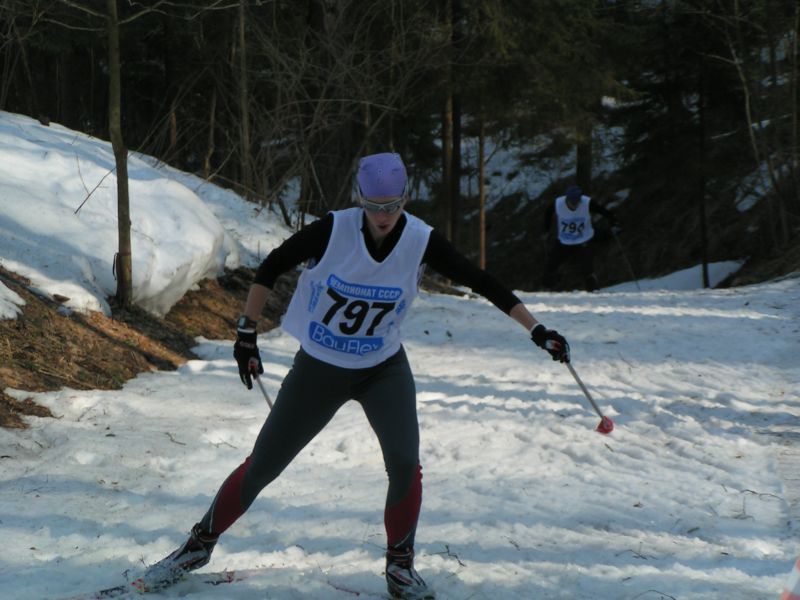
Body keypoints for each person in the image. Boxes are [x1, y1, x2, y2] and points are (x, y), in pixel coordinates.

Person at [143, 152, 571, 600]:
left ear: (405, 198)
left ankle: (401, 568)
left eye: (393, 205)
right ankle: (196, 547)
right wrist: (246, 335)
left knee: (405, 461)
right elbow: (270, 266)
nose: (384, 216)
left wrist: (537, 329)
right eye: (374, 206)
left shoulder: (421, 239)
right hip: (320, 369)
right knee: (263, 466)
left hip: (382, 367)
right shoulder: (334, 229)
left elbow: (482, 281)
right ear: (359, 199)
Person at [541, 184, 618, 292]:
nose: (575, 204)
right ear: (567, 199)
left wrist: (613, 223)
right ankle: (547, 289)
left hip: (584, 238)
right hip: (564, 240)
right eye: (572, 202)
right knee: (552, 263)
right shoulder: (557, 203)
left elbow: (605, 212)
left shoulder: (587, 203)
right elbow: (548, 213)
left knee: (587, 266)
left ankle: (593, 290)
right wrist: (546, 230)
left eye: (577, 201)